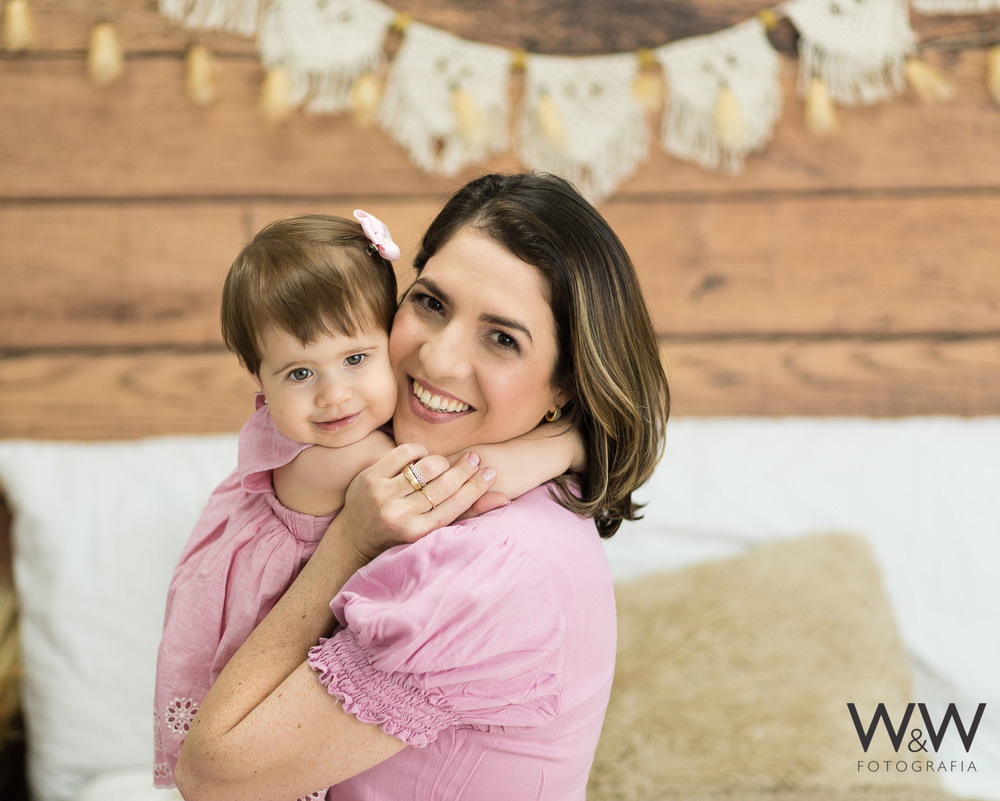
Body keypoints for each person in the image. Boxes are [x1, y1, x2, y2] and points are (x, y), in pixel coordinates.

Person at [173, 172, 669, 801]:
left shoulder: (489, 569)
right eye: (431, 303)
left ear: (566, 384)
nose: (436, 360)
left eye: (502, 338)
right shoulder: (366, 442)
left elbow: (212, 778)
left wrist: (350, 540)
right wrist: (562, 441)